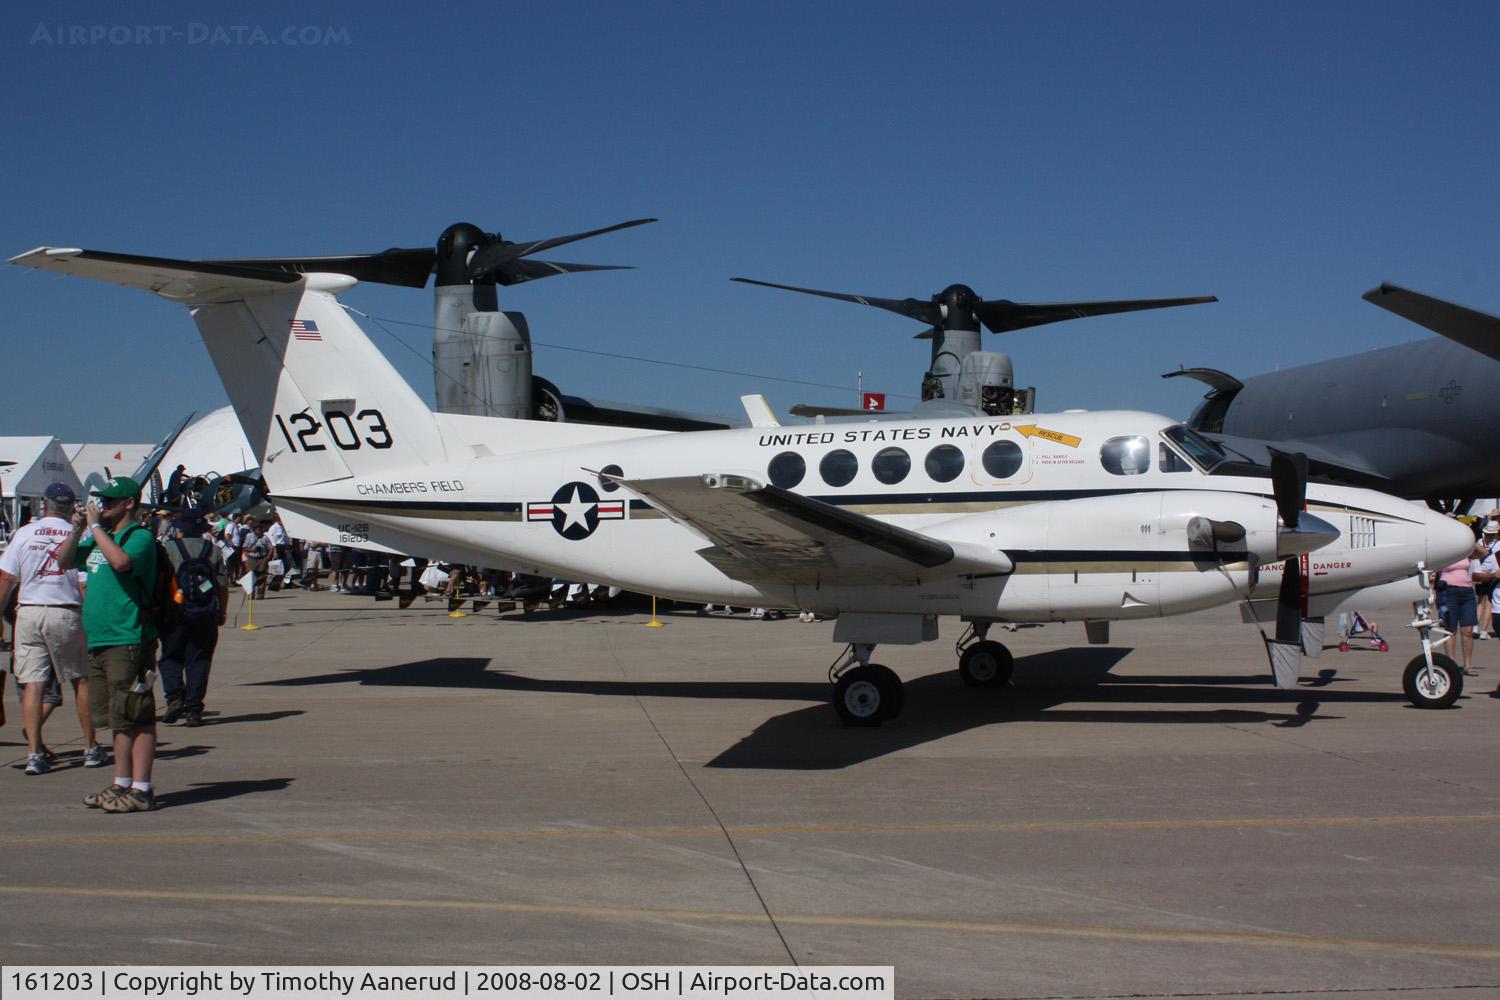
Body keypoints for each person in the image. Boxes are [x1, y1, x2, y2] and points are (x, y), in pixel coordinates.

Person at [52, 476, 160, 813]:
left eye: (111, 501)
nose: (104, 506)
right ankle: (121, 783)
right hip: (100, 640)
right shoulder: (103, 537)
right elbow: (64, 560)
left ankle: (141, 788)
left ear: (129, 503)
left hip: (128, 637)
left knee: (136, 714)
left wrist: (96, 528)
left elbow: (122, 563)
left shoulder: (139, 537)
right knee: (117, 718)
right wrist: (76, 528)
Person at [0, 483, 105, 774]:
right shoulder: (80, 535)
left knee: (33, 683)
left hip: (30, 611)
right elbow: (84, 581)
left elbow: (6, 578)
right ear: (72, 506)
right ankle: (90, 748)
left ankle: (34, 753)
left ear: (44, 504)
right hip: (66, 610)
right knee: (80, 680)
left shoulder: (23, 534)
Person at [157, 510, 229, 727]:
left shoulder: (168, 549)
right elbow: (222, 585)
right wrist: (221, 612)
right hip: (204, 613)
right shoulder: (213, 550)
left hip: (174, 613)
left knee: (170, 657)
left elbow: (159, 580)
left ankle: (175, 698)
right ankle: (194, 709)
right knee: (199, 660)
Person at [1435, 533, 1488, 678]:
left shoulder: (1465, 551)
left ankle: (1468, 665)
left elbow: (1483, 553)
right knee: (1450, 629)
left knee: (1468, 630)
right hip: (1448, 590)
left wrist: (1469, 540)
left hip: (1466, 591)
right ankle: (1451, 665)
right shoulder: (1444, 552)